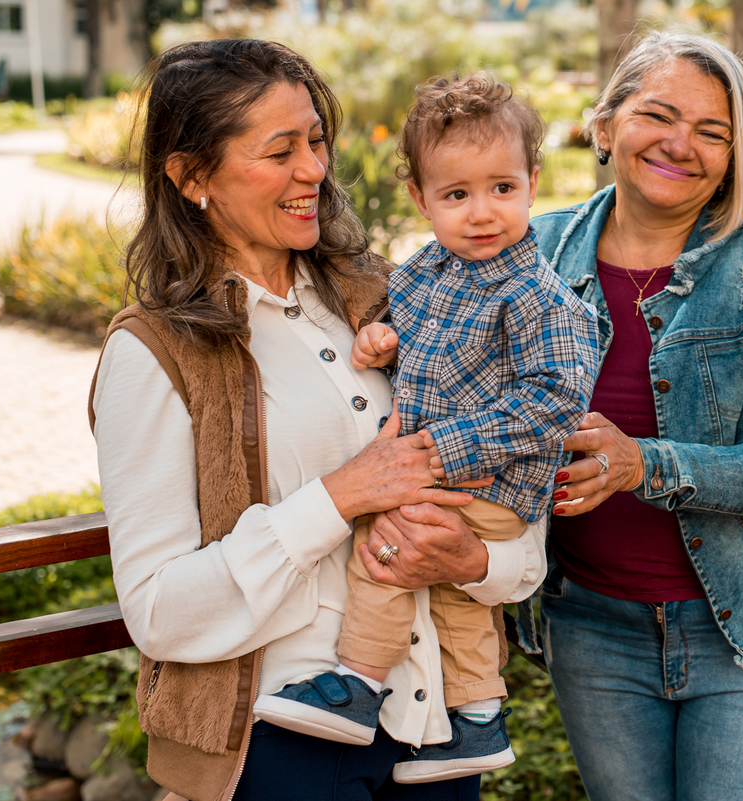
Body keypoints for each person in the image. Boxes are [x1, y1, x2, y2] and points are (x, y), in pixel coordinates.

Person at [89, 40, 547, 801]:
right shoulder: (154, 351)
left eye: (316, 140)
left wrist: (478, 562)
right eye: (280, 151)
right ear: (191, 176)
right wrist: (341, 496)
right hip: (281, 741)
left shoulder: (394, 298)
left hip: (437, 733)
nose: (314, 170)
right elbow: (160, 612)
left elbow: (510, 491)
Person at [524, 32, 743, 800]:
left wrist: (641, 464)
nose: (681, 144)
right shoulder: (534, 253)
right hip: (594, 626)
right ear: (605, 124)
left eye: (712, 131)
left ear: (734, 158)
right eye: (659, 115)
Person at [254, 73, 598, 784]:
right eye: (457, 195)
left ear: (533, 183)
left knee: (386, 549)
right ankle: (477, 719)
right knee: (450, 593)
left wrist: (444, 448)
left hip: (489, 478)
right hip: (452, 476)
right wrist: (383, 340)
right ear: (420, 197)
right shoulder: (424, 273)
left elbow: (559, 398)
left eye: (502, 188)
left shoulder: (538, 295)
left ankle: (357, 683)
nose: (483, 212)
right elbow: (424, 346)